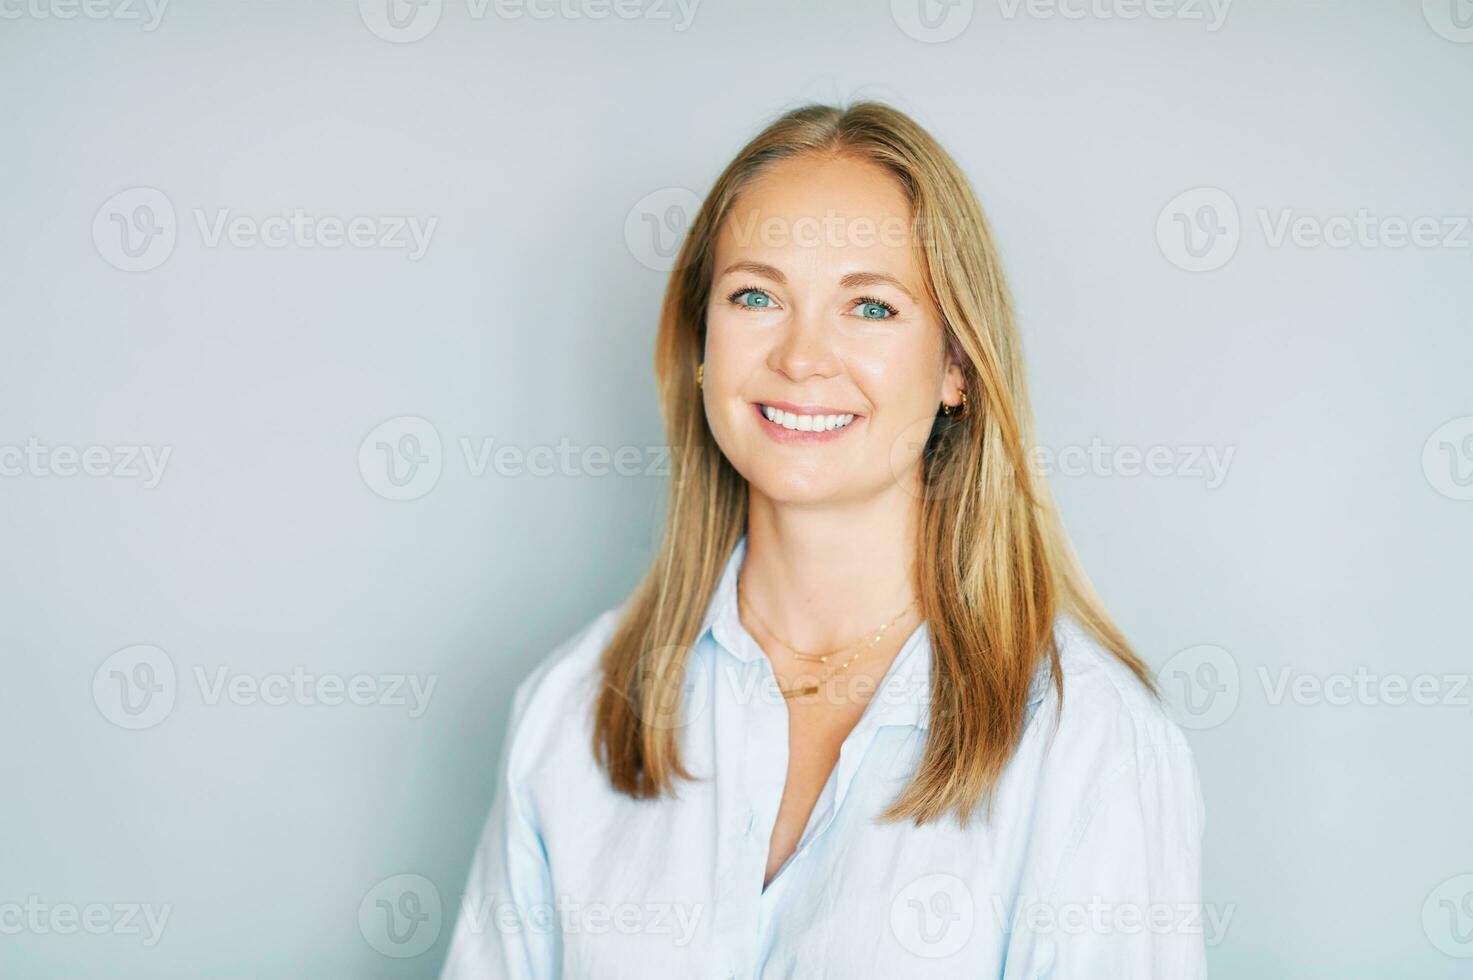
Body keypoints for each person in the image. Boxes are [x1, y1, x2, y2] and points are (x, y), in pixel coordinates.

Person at [440, 100, 1206, 979]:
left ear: (956, 366)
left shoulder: (1085, 741)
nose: (802, 358)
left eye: (870, 308)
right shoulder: (571, 710)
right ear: (702, 345)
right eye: (755, 296)